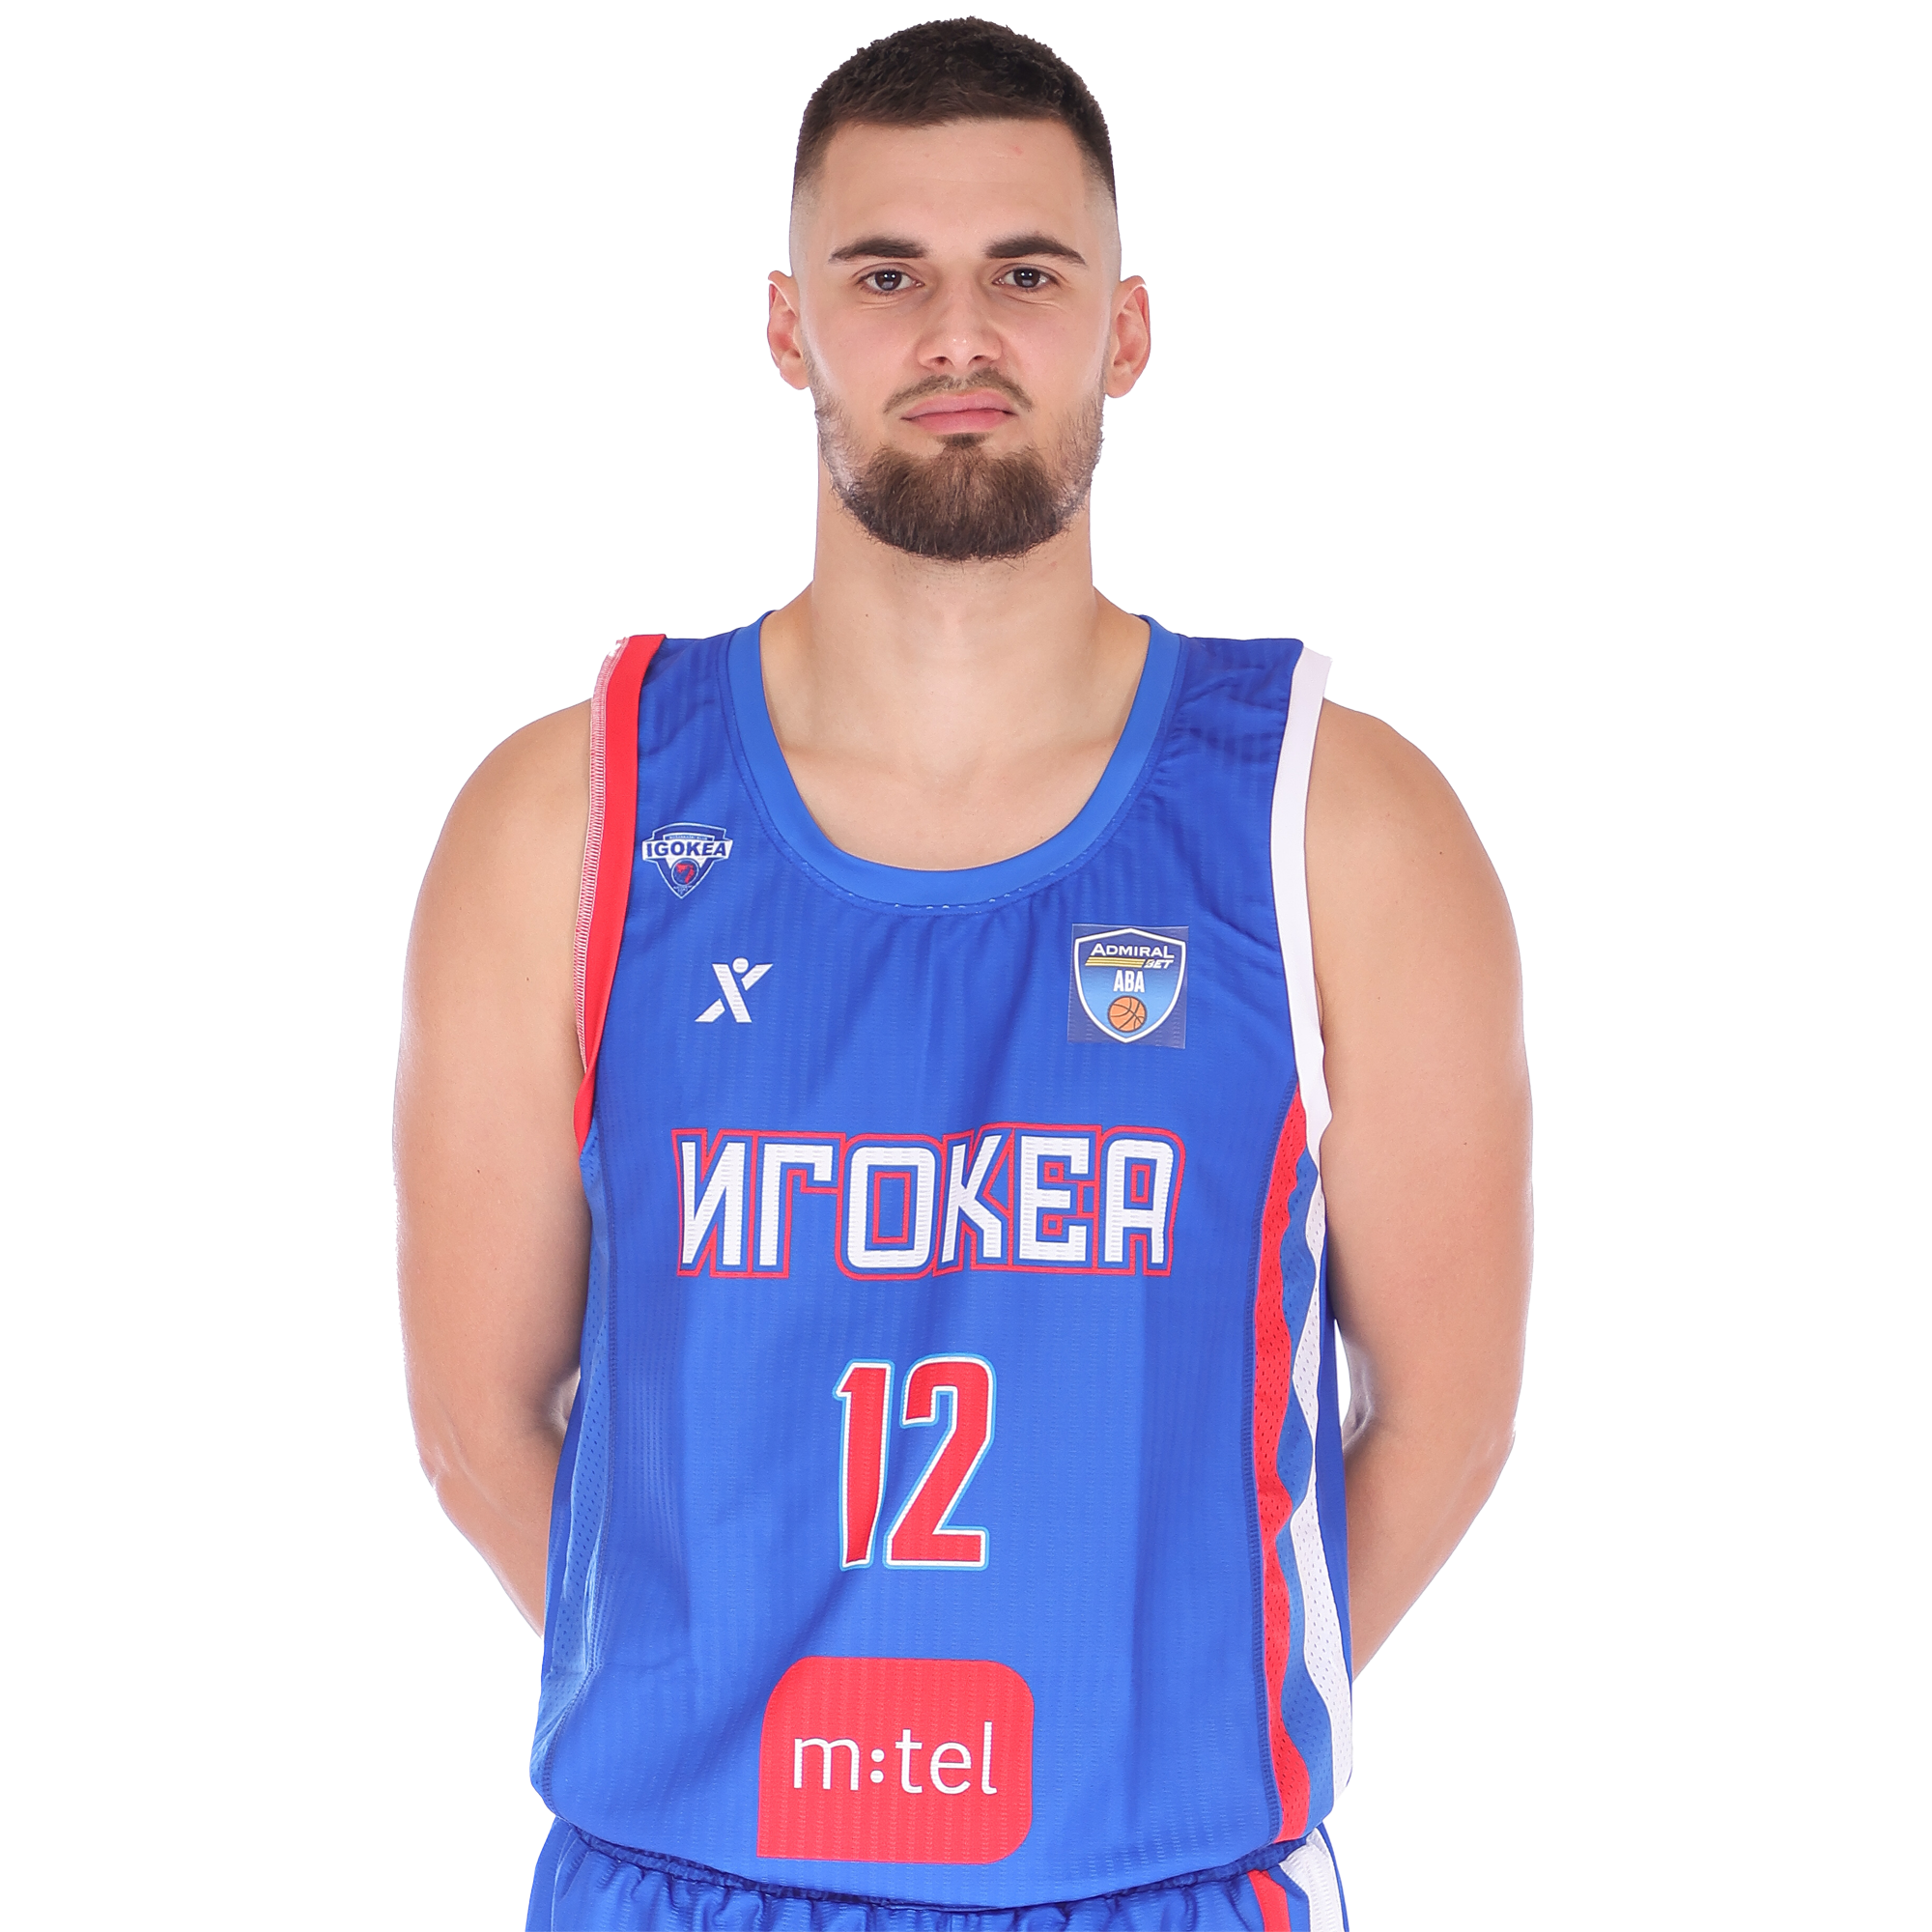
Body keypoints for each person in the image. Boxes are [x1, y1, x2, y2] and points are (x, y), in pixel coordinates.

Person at [395, 18, 1531, 1932]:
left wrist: (1162, 1733)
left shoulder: (1332, 817)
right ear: (787, 327)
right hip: (690, 1881)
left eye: (1025, 274)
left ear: (1126, 329)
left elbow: (1445, 1411)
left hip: (1159, 1881)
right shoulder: (568, 815)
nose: (956, 335)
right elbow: (476, 1421)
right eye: (884, 276)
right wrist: (723, 1722)